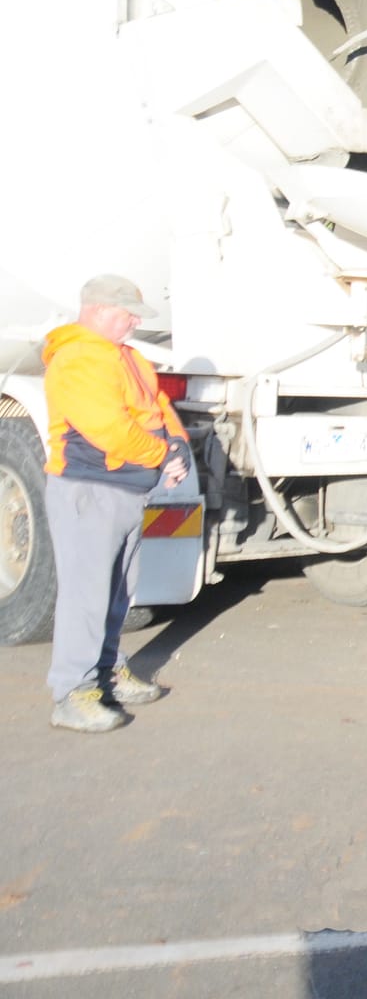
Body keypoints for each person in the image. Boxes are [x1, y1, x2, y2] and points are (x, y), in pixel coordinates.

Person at [41, 274, 191, 733]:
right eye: (127, 314)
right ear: (100, 309)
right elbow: (106, 429)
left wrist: (178, 443)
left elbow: (158, 407)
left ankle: (105, 672)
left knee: (118, 592)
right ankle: (74, 692)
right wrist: (162, 455)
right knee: (86, 595)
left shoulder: (128, 357)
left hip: (125, 488)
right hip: (89, 487)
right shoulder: (79, 358)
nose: (133, 323)